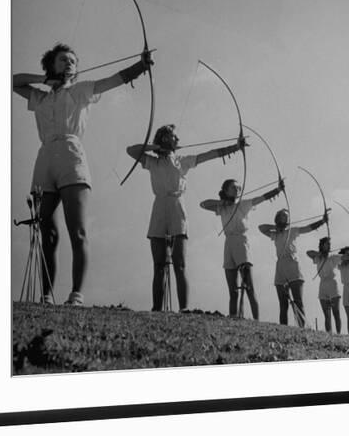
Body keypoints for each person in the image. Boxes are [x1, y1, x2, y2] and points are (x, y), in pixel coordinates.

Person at [13, 43, 153, 306]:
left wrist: (141, 66)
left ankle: (76, 294)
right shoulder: (40, 97)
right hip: (44, 158)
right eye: (63, 60)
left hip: (71, 155)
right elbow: (12, 81)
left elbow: (113, 80)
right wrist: (43, 80)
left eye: (73, 62)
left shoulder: (81, 90)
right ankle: (45, 295)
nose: (69, 64)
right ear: (51, 65)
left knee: (77, 230)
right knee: (47, 232)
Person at [127, 125, 246, 312]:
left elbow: (209, 154)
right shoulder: (152, 162)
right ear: (164, 139)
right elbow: (131, 150)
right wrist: (156, 148)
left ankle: (184, 309)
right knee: (158, 263)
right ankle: (156, 309)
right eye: (173, 137)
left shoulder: (182, 161)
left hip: (176, 207)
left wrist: (235, 147)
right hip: (159, 207)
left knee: (179, 263)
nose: (178, 140)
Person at [200, 179, 284, 319]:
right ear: (226, 191)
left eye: (239, 187)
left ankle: (256, 320)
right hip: (229, 243)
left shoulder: (243, 204)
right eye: (234, 187)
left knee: (249, 286)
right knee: (233, 289)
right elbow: (203, 204)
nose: (238, 189)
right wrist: (222, 202)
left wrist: (277, 190)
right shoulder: (223, 207)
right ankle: (234, 317)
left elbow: (261, 198)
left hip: (241, 242)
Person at [258, 210, 328, 327]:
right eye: (283, 217)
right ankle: (284, 329)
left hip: (293, 267)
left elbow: (308, 228)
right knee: (283, 304)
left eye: (287, 217)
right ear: (278, 219)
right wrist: (276, 227)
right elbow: (261, 228)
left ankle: (301, 329)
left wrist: (322, 221)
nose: (286, 219)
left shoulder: (293, 230)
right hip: (280, 268)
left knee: (298, 302)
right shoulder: (275, 234)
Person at [306, 237, 342, 334]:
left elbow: (345, 257)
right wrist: (320, 254)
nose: (328, 246)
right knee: (327, 314)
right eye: (326, 244)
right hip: (322, 285)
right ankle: (329, 333)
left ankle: (338, 334)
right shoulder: (318, 258)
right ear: (322, 246)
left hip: (332, 284)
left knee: (336, 312)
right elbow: (308, 253)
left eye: (329, 244)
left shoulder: (333, 257)